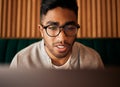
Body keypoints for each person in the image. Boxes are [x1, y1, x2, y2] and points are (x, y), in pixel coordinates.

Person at [10, 0, 104, 69]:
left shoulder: (93, 60)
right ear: (41, 30)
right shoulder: (21, 62)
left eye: (70, 28)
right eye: (52, 28)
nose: (62, 38)